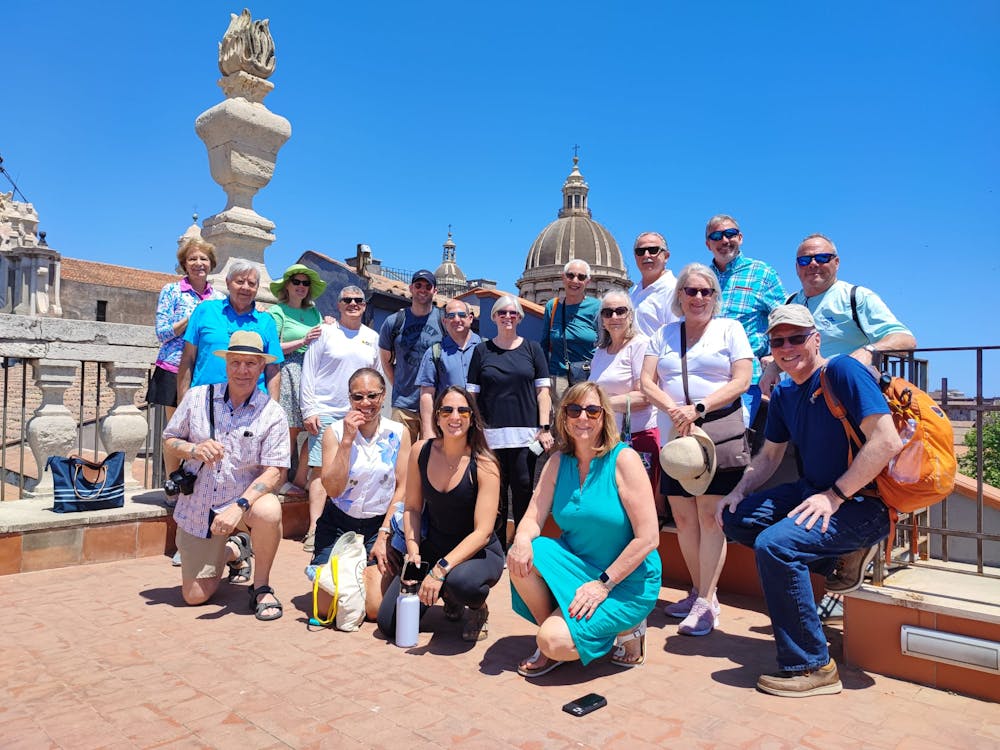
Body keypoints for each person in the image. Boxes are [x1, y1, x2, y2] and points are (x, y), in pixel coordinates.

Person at [717, 304, 902, 697]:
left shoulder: (841, 372)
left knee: (777, 546)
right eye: (778, 340)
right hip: (815, 494)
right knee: (737, 519)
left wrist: (834, 496)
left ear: (816, 339)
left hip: (864, 504)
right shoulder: (784, 391)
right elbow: (768, 457)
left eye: (797, 338)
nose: (788, 347)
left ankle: (813, 666)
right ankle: (840, 558)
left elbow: (887, 441)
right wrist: (738, 492)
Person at [508, 382, 661, 676]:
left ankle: (628, 630)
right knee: (523, 556)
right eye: (574, 410)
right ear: (563, 417)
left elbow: (649, 538)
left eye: (592, 410)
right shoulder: (557, 462)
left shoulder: (623, 459)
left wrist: (603, 584)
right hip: (577, 567)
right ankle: (559, 627)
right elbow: (531, 518)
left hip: (625, 578)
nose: (583, 418)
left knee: (553, 641)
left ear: (604, 417)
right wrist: (523, 539)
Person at [640, 262, 753, 636]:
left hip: (717, 430)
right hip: (678, 436)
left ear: (715, 297)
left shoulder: (729, 329)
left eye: (706, 291)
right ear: (680, 296)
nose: (698, 297)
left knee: (709, 518)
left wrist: (699, 408)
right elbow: (646, 380)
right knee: (684, 519)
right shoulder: (665, 333)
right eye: (691, 291)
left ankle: (707, 600)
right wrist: (673, 409)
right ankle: (699, 591)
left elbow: (742, 379)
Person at [162, 331, 290, 621]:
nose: (242, 370)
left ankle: (261, 587)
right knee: (194, 596)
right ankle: (236, 549)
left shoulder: (272, 413)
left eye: (250, 364)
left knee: (270, 511)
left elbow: (275, 471)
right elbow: (169, 438)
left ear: (261, 367)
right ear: (226, 364)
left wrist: (239, 508)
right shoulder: (197, 398)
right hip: (199, 507)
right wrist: (193, 449)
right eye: (236, 363)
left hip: (244, 504)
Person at [377, 387, 504, 642]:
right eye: (446, 410)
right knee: (389, 623)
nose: (454, 417)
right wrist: (413, 552)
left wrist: (440, 570)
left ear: (472, 417)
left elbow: (483, 532)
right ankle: (449, 595)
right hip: (433, 546)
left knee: (462, 583)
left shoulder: (485, 464)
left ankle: (476, 608)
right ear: (436, 416)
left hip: (478, 553)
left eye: (462, 410)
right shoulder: (420, 451)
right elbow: (412, 507)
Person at [311, 368, 411, 621]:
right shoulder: (334, 433)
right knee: (325, 610)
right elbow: (332, 489)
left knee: (374, 610)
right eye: (358, 397)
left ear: (383, 395)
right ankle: (350, 573)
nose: (365, 403)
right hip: (338, 523)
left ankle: (366, 575)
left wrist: (384, 534)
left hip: (379, 525)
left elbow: (402, 487)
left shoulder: (398, 433)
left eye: (372, 396)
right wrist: (347, 441)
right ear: (349, 398)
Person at [760, 234, 915, 392]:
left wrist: (868, 351)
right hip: (799, 398)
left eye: (822, 258)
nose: (813, 264)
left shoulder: (856, 297)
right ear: (797, 267)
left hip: (845, 395)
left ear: (837, 263)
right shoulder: (791, 302)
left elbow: (905, 340)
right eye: (805, 260)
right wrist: (773, 366)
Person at [299, 286, 382, 552]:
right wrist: (309, 409)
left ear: (365, 306)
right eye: (347, 300)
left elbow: (378, 376)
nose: (353, 304)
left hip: (360, 411)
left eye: (359, 300)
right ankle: (314, 528)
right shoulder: (325, 332)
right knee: (321, 470)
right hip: (325, 410)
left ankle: (344, 526)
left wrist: (374, 410)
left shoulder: (372, 337)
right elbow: (308, 370)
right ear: (338, 304)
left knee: (354, 468)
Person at [467, 295, 553, 550]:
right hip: (491, 437)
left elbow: (543, 393)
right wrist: (474, 430)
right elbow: (472, 395)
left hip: (526, 436)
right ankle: (496, 546)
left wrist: (545, 427)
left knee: (524, 488)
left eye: (512, 313)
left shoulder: (533, 349)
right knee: (495, 491)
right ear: (493, 317)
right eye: (502, 313)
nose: (507, 317)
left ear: (519, 318)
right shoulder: (481, 351)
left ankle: (522, 543)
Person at [148, 237, 221, 507]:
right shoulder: (171, 291)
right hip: (173, 367)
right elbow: (162, 332)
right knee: (176, 432)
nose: (198, 263)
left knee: (200, 432)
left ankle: (195, 485)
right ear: (184, 264)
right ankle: (172, 484)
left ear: (211, 264)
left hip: (204, 372)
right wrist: (192, 318)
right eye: (193, 259)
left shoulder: (219, 298)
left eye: (203, 259)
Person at [704, 215, 786, 425]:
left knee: (735, 445)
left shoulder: (762, 273)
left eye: (730, 234)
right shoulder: (701, 278)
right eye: (716, 236)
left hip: (748, 380)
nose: (724, 240)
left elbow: (784, 321)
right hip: (706, 377)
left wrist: (775, 361)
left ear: (740, 238)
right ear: (708, 244)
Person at [588, 290, 660, 502]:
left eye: (621, 311)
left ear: (631, 314)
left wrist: (601, 405)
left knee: (638, 506)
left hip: (637, 439)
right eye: (608, 312)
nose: (614, 317)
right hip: (606, 439)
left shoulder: (641, 345)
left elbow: (645, 396)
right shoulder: (600, 351)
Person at [177, 260, 283, 402]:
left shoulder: (266, 321)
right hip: (204, 400)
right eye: (239, 282)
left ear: (257, 288)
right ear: (228, 283)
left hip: (251, 404)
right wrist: (183, 401)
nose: (245, 287)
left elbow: (273, 369)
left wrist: (273, 409)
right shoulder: (205, 311)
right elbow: (187, 359)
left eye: (251, 284)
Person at [268, 264, 327, 498]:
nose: (301, 287)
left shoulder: (315, 313)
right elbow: (271, 347)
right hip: (287, 372)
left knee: (312, 429)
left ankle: (299, 477)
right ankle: (280, 480)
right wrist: (303, 340)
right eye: (297, 282)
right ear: (287, 286)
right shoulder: (277, 312)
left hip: (311, 373)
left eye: (305, 283)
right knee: (289, 430)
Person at [379, 269, 444, 443]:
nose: (423, 289)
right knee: (399, 457)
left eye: (427, 286)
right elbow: (385, 360)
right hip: (403, 406)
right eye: (418, 285)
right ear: (411, 288)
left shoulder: (443, 321)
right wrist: (399, 385)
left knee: (430, 459)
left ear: (435, 291)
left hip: (435, 405)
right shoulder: (394, 322)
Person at [416, 298, 481, 439]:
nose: (457, 319)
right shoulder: (435, 352)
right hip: (450, 425)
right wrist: (428, 431)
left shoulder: (485, 348)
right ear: (445, 322)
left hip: (480, 427)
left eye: (462, 315)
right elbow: (427, 394)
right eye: (451, 316)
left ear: (470, 318)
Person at [540, 259, 601, 406]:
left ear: (587, 281)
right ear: (563, 277)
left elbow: (605, 343)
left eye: (581, 277)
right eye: (570, 275)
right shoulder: (552, 306)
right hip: (558, 377)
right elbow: (544, 343)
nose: (575, 280)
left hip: (588, 376)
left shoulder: (597, 307)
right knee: (560, 421)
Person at [628, 231, 679, 337]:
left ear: (666, 256)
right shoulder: (635, 291)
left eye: (653, 250)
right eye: (640, 251)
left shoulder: (674, 290)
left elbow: (676, 337)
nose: (646, 255)